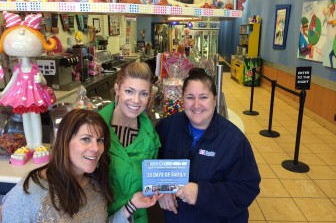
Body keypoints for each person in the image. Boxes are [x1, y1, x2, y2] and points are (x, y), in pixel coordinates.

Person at [1, 109, 160, 222]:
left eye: (100, 140)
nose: (96, 148)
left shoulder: (95, 184)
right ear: (65, 142)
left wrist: (132, 206)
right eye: (86, 139)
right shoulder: (29, 194)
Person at [155, 68, 261, 222]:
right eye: (190, 97)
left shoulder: (234, 140)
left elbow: (248, 188)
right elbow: (153, 163)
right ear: (182, 99)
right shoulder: (167, 128)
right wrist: (162, 190)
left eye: (203, 97)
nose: (196, 105)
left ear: (215, 99)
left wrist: (201, 193)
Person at [99, 62, 161, 223]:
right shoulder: (94, 129)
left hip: (136, 217)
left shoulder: (151, 137)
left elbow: (152, 182)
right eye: (129, 91)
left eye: (143, 94)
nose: (136, 100)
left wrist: (166, 190)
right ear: (117, 89)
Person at [0, 11, 57, 164]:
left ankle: (38, 143)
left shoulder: (34, 69)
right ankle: (30, 144)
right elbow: (11, 82)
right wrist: (3, 93)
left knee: (35, 117)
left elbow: (43, 81)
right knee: (26, 118)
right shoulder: (18, 69)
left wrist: (41, 80)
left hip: (34, 96)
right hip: (22, 97)